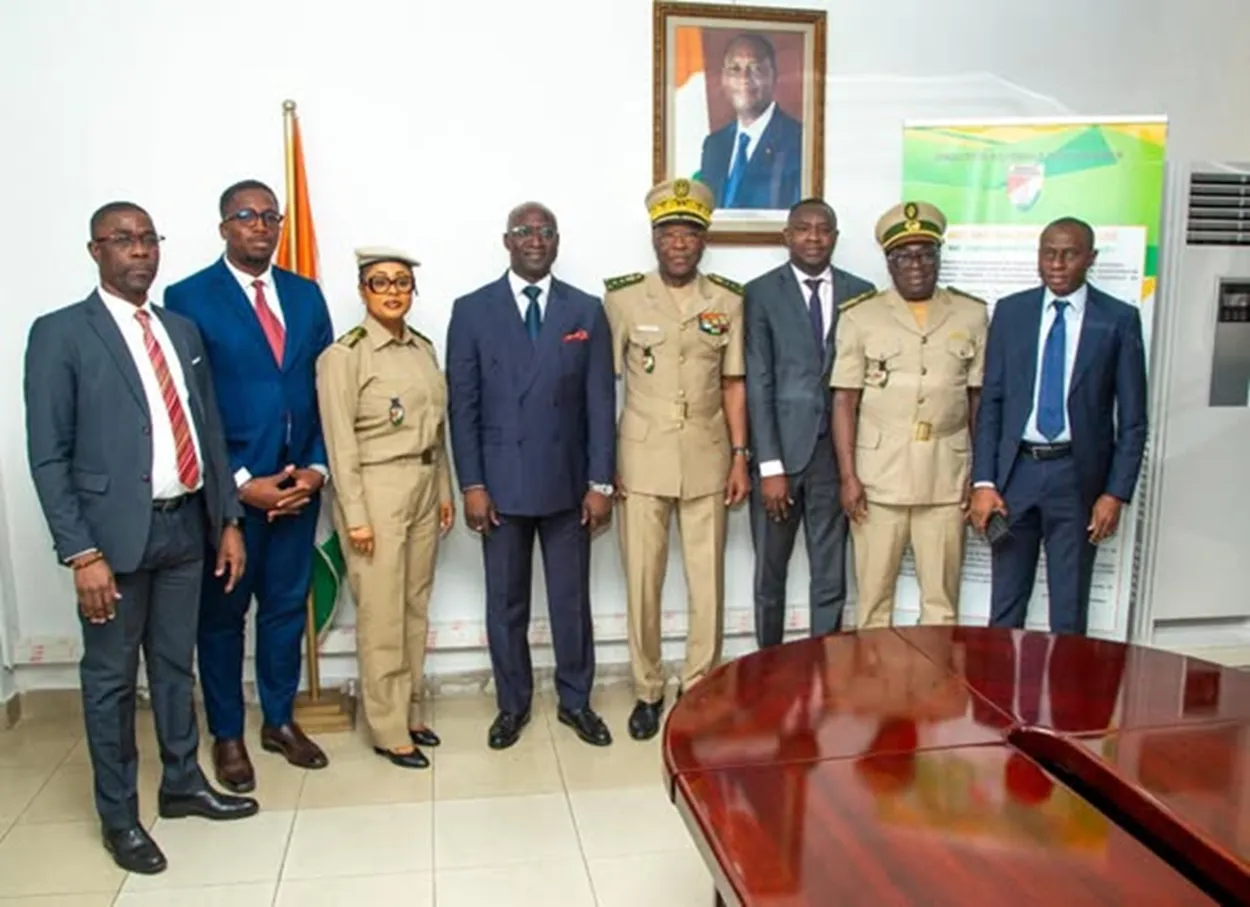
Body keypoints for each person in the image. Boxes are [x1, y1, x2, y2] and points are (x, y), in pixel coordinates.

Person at [24, 202, 258, 875]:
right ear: (94, 250)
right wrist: (80, 551)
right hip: (110, 543)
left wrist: (229, 522)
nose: (139, 252)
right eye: (122, 240)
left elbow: (207, 431)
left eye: (148, 239)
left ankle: (181, 783)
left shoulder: (178, 328)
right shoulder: (61, 334)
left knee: (173, 665)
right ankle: (119, 815)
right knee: (110, 681)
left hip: (186, 525)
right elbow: (49, 454)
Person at [164, 179, 334, 791]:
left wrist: (315, 468)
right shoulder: (186, 298)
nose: (260, 226)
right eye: (245, 216)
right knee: (223, 618)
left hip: (296, 489)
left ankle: (280, 720)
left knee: (287, 610)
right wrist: (239, 484)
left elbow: (324, 391)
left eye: (269, 216)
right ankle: (229, 734)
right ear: (223, 228)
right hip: (230, 498)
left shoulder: (306, 295)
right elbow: (188, 404)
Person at [446, 202, 616, 750]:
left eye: (545, 232)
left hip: (569, 485)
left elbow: (600, 404)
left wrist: (601, 483)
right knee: (506, 603)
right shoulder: (471, 310)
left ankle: (576, 701)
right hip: (498, 486)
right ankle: (512, 704)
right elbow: (462, 406)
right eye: (525, 231)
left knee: (571, 602)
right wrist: (471, 484)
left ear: (557, 241)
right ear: (506, 241)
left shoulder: (586, 310)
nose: (535, 240)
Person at [604, 177, 751, 741]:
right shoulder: (622, 299)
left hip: (708, 455)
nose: (680, 243)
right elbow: (603, 385)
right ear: (654, 238)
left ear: (704, 240)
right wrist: (604, 459)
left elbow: (733, 382)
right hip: (640, 458)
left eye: (690, 233)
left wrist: (740, 455)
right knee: (643, 580)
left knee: (706, 581)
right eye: (669, 233)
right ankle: (647, 689)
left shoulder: (728, 301)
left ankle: (699, 687)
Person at [969, 217, 1147, 635]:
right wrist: (983, 482)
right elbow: (990, 403)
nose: (1057, 263)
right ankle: (998, 698)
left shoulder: (1118, 320)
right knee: (1006, 607)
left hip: (1077, 479)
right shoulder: (1012, 313)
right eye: (1048, 253)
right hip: (1016, 477)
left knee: (1068, 612)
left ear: (1091, 258)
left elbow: (1134, 420)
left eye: (1069, 254)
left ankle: (1068, 701)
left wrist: (1115, 494)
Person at [315, 247, 454, 769]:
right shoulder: (345, 356)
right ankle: (387, 727)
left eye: (402, 283)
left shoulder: (422, 349)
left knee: (414, 604)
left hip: (421, 483)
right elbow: (339, 444)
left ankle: (410, 709)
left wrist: (443, 490)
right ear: (361, 291)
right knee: (380, 611)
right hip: (375, 490)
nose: (393, 291)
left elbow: (437, 431)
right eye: (380, 283)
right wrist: (354, 515)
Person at [830, 201, 987, 629]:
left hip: (946, 478)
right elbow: (844, 401)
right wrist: (848, 477)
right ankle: (876, 694)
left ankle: (934, 694)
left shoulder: (972, 314)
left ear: (938, 257)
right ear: (888, 262)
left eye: (925, 254)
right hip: (879, 479)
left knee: (941, 604)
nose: (916, 265)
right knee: (874, 603)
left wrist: (979, 475)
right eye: (904, 256)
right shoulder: (860, 316)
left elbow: (977, 400)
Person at [744, 198, 876, 647]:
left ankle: (826, 668)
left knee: (830, 572)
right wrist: (770, 467)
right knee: (769, 574)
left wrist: (852, 468)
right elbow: (759, 383)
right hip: (780, 454)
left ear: (835, 237)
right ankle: (769, 669)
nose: (814, 237)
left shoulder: (863, 291)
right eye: (803, 229)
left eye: (823, 230)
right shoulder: (760, 293)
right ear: (787, 236)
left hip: (834, 457)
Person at [698, 33, 802, 210]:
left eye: (756, 69)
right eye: (735, 69)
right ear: (723, 78)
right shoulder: (714, 145)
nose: (744, 78)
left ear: (774, 77)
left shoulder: (798, 140)